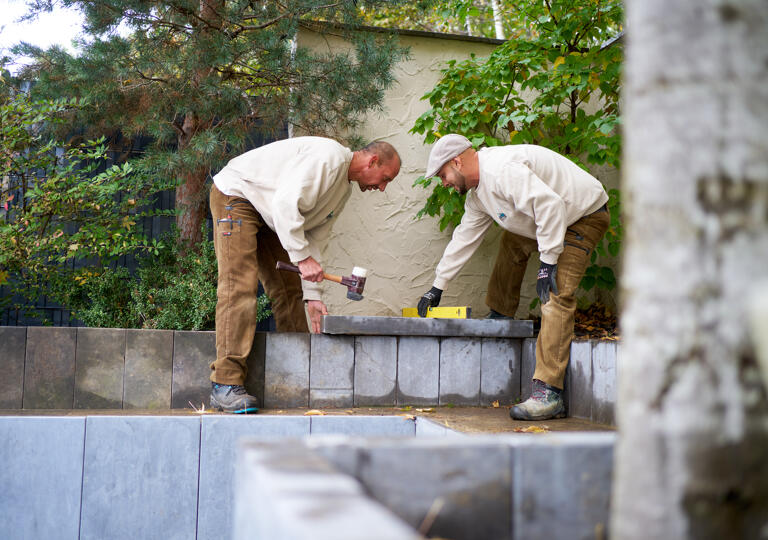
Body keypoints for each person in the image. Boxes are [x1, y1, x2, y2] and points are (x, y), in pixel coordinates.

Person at [416, 134, 608, 421]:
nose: (444, 182)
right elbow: (464, 237)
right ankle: (501, 314)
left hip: (584, 215)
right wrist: (437, 286)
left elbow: (551, 206)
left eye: (443, 174)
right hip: (552, 217)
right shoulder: (478, 194)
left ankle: (549, 392)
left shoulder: (501, 171)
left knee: (556, 293)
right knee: (512, 241)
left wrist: (548, 263)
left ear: (457, 161)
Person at [209, 136, 401, 413]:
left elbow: (313, 237)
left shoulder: (342, 191)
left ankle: (298, 376)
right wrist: (302, 258)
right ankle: (225, 383)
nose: (382, 188)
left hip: (268, 214)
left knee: (289, 291)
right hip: (238, 196)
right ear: (373, 161)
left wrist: (313, 296)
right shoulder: (329, 159)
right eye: (385, 178)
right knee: (239, 285)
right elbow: (285, 206)